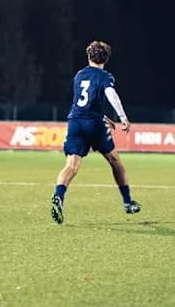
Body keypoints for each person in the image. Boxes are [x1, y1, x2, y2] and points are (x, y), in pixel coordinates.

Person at [50, 40, 140, 224]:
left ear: (88, 56)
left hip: (75, 122)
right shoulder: (105, 76)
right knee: (115, 161)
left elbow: (84, 102)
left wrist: (102, 116)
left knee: (71, 166)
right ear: (106, 58)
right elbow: (110, 94)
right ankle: (128, 202)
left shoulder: (79, 75)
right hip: (94, 125)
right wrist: (122, 117)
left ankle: (59, 195)